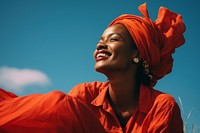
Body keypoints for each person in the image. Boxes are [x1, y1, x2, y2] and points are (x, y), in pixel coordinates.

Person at [0, 3, 185, 133]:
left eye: (113, 40)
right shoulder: (85, 94)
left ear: (136, 55)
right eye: (100, 41)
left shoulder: (162, 107)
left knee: (65, 107)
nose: (100, 46)